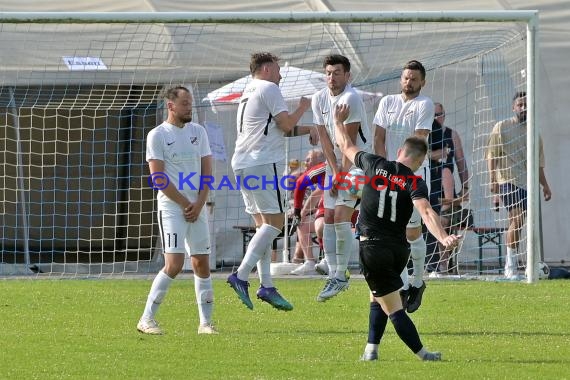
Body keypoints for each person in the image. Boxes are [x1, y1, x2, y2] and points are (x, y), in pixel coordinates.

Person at [334, 103, 462, 362]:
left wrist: (338, 122)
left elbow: (346, 146)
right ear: (420, 161)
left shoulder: (374, 163)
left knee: (393, 308)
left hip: (373, 247)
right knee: (377, 296)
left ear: (400, 151)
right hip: (397, 249)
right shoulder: (416, 181)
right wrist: (443, 237)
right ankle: (371, 350)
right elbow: (426, 212)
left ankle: (423, 354)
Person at [227, 52, 317, 311]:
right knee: (276, 224)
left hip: (243, 163)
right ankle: (241, 275)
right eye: (278, 70)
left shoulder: (249, 90)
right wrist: (303, 106)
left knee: (263, 228)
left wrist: (310, 129)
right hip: (263, 163)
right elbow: (287, 124)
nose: (281, 75)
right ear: (266, 69)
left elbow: (279, 130)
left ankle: (266, 285)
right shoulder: (269, 87)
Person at [137, 86, 217, 335]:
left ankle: (205, 324)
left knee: (202, 263)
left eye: (190, 102)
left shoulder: (199, 132)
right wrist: (185, 203)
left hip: (198, 207)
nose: (189, 107)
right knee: (174, 263)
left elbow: (207, 172)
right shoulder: (157, 135)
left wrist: (200, 203)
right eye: (184, 103)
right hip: (173, 208)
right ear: (171, 106)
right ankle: (146, 319)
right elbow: (158, 178)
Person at [373, 60, 434, 313]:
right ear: (401, 79)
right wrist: (382, 168)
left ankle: (417, 282)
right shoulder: (387, 102)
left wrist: (403, 173)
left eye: (413, 78)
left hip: (413, 174)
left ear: (422, 82)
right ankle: (404, 283)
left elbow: (419, 141)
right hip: (387, 175)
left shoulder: (424, 104)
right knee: (389, 231)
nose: (408, 82)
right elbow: (378, 137)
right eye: (405, 78)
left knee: (411, 232)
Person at [312, 54, 373, 302]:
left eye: (337, 72)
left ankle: (339, 274)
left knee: (340, 215)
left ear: (347, 76)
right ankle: (331, 264)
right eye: (328, 72)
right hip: (336, 166)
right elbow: (325, 139)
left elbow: (349, 142)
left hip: (358, 163)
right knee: (327, 216)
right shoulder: (318, 98)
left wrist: (343, 173)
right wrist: (334, 172)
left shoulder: (351, 98)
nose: (331, 77)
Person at [487, 91, 552, 279]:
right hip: (507, 180)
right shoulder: (502, 127)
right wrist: (493, 180)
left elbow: (538, 165)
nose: (523, 108)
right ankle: (510, 266)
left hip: (528, 185)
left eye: (526, 105)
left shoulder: (535, 133)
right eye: (520, 105)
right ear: (513, 107)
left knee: (519, 223)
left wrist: (545, 186)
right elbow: (492, 155)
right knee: (518, 219)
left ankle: (519, 264)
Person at [427, 102, 470, 273]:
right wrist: (433, 155)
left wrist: (466, 187)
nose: (437, 118)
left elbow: (461, 164)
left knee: (444, 221)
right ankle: (425, 264)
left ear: (444, 115)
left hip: (446, 193)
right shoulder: (423, 135)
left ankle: (442, 265)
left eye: (439, 114)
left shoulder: (452, 135)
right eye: (433, 115)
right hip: (428, 188)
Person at [290, 149, 327, 275]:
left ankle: (329, 261)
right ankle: (309, 262)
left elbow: (314, 194)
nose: (305, 162)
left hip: (345, 215)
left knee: (321, 224)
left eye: (309, 159)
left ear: (319, 161)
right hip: (320, 216)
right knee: (303, 224)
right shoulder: (313, 176)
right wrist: (300, 213)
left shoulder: (325, 169)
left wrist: (300, 212)